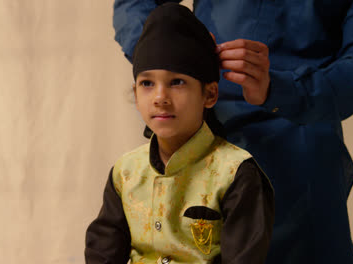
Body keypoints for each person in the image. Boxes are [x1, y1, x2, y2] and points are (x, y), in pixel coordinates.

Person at [113, 0, 353, 263]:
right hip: (198, 134)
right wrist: (165, 54)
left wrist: (281, 89)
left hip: (298, 149)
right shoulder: (129, 172)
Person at [85, 3, 274, 263]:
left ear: (209, 94)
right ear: (136, 93)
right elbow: (103, 253)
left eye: (177, 82)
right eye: (147, 83)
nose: (160, 98)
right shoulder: (125, 172)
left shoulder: (236, 173)